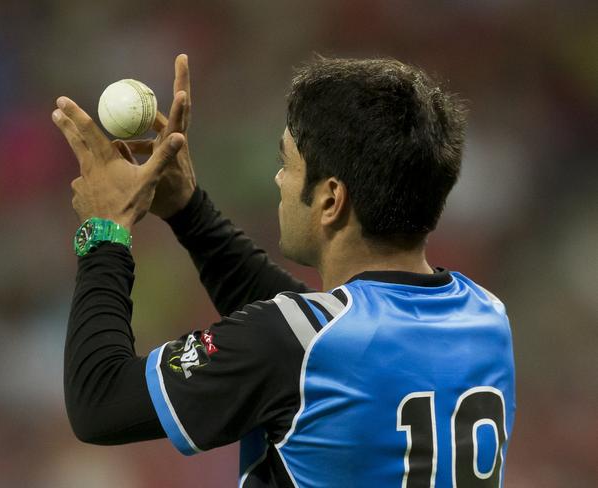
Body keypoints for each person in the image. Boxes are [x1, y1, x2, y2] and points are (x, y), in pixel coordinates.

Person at [53, 54, 516, 487]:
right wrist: (189, 212)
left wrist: (105, 229)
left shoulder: (294, 343)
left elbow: (100, 402)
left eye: (286, 163)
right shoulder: (486, 320)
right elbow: (315, 341)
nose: (277, 178)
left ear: (331, 199)